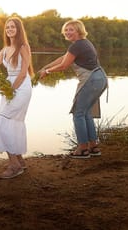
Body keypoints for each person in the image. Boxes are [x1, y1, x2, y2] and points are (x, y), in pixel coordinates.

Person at [38, 19, 108, 159]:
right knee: (86, 113)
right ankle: (93, 147)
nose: (68, 32)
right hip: (101, 78)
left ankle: (82, 149)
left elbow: (64, 66)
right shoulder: (84, 43)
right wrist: (45, 68)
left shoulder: (77, 45)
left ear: (79, 30)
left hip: (91, 80)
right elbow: (63, 59)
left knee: (78, 113)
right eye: (66, 29)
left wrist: (48, 72)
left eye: (71, 29)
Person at [0, 16, 35, 179]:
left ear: (19, 29)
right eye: (7, 27)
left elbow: (23, 73)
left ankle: (14, 165)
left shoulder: (23, 46)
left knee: (2, 121)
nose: (10, 30)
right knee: (11, 123)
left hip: (21, 87)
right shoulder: (5, 49)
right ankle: (19, 162)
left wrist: (10, 90)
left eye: (13, 27)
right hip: (9, 87)